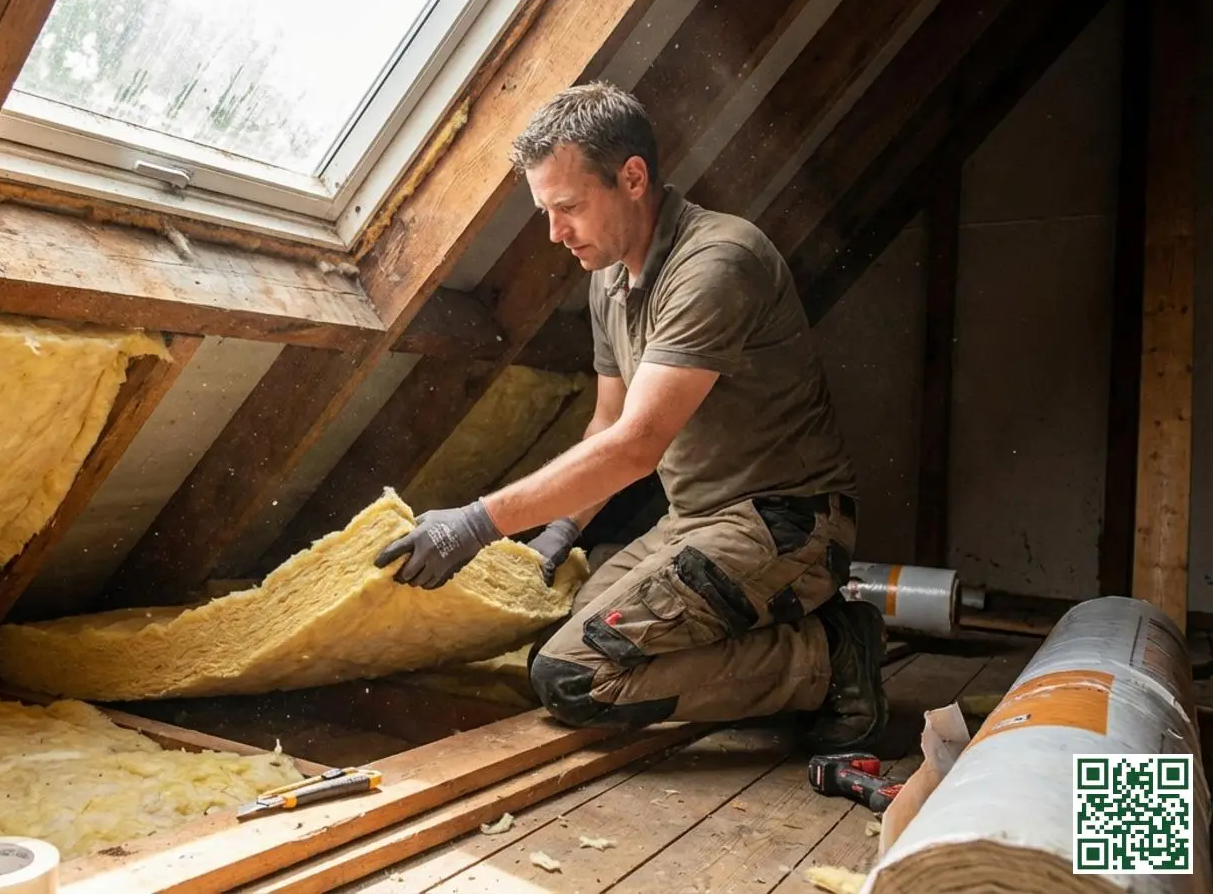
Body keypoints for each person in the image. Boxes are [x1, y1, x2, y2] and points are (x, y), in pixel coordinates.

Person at [374, 81, 887, 754]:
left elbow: (637, 446)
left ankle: (829, 656)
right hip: (696, 521)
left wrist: (476, 524)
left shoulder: (717, 262)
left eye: (567, 207)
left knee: (575, 678)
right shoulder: (607, 280)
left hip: (787, 524)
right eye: (545, 211)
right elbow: (606, 426)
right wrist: (559, 533)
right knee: (549, 648)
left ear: (633, 177)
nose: (555, 233)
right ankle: (782, 638)